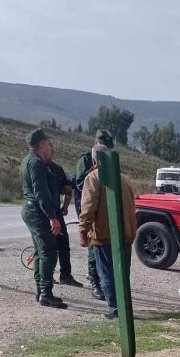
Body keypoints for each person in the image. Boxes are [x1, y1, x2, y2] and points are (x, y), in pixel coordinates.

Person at [79, 144, 137, 319]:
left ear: (95, 159)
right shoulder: (124, 179)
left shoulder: (93, 178)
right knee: (122, 274)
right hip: (126, 235)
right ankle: (125, 307)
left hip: (105, 235)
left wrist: (83, 231)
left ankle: (115, 307)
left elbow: (88, 208)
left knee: (107, 274)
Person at [19, 128, 66, 309]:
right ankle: (46, 293)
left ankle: (41, 290)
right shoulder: (36, 163)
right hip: (38, 212)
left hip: (31, 210)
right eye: (47, 143)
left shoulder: (27, 161)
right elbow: (40, 193)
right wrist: (52, 217)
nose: (49, 146)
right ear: (40, 145)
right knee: (48, 251)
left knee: (40, 250)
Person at [75, 129, 114, 301]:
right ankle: (95, 282)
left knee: (105, 247)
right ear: (95, 142)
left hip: (105, 207)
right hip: (90, 207)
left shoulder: (110, 158)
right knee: (93, 246)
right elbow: (79, 184)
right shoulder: (85, 159)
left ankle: (105, 281)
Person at [46, 160, 84, 287]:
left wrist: (65, 206)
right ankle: (47, 275)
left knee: (63, 245)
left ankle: (66, 275)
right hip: (44, 213)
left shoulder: (57, 169)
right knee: (48, 247)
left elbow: (68, 189)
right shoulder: (38, 167)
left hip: (57, 212)